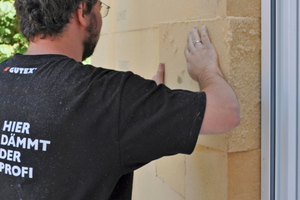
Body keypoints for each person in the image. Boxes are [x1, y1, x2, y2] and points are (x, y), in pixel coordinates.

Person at [0, 0, 240, 199]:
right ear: (82, 11)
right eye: (100, 7)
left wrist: (139, 113)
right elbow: (225, 112)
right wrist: (206, 70)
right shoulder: (107, 96)